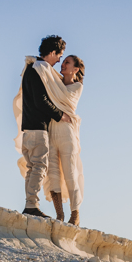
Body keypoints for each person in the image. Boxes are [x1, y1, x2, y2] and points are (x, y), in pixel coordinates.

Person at [13, 36, 73, 218]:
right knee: (40, 166)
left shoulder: (31, 68)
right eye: (59, 56)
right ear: (52, 52)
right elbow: (42, 101)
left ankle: (30, 204)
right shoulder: (39, 70)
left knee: (33, 167)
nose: (59, 61)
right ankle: (31, 205)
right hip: (38, 128)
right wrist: (60, 114)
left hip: (28, 128)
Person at [45, 55, 85, 224]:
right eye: (63, 61)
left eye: (67, 62)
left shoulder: (77, 86)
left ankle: (75, 215)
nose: (63, 64)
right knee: (52, 173)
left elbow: (61, 100)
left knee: (70, 173)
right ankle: (59, 214)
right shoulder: (55, 81)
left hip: (67, 133)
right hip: (51, 131)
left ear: (75, 69)